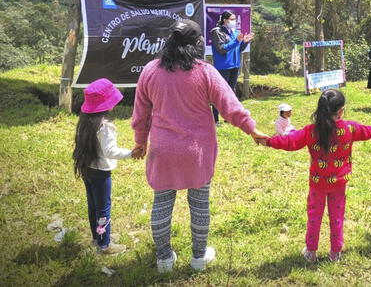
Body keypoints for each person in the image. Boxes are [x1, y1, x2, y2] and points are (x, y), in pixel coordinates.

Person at [131, 19, 269, 273]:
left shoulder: (150, 70)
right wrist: (252, 129)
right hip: (197, 151)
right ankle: (198, 258)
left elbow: (141, 114)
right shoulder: (205, 71)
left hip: (162, 150)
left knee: (161, 203)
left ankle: (164, 260)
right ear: (196, 45)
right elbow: (230, 106)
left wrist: (140, 142)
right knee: (199, 204)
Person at [260, 89, 371, 262]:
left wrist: (268, 141)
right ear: (340, 111)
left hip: (317, 183)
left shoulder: (311, 131)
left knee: (314, 216)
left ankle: (311, 252)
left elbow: (289, 142)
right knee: (337, 216)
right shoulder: (349, 128)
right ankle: (335, 253)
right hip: (339, 183)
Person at [72, 78, 142, 255]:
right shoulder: (105, 127)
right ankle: (105, 245)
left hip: (88, 169)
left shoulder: (85, 122)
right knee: (103, 207)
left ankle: (98, 238)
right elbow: (110, 151)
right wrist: (130, 153)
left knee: (93, 205)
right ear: (107, 104)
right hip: (101, 173)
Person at [210, 11, 255, 125]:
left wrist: (245, 42)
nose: (234, 21)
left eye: (235, 19)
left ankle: (228, 117)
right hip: (223, 67)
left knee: (230, 93)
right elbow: (222, 49)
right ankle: (215, 119)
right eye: (231, 19)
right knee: (219, 93)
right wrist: (236, 41)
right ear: (225, 20)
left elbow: (238, 49)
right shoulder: (217, 32)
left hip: (235, 65)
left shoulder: (235, 32)